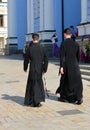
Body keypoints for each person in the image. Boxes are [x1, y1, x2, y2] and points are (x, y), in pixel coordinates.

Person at [56, 28, 83, 105]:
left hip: (66, 65)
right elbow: (78, 57)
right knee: (77, 82)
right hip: (75, 65)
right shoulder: (76, 44)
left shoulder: (63, 44)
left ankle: (64, 97)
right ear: (71, 34)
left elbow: (62, 57)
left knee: (65, 81)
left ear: (65, 35)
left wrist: (61, 67)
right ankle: (79, 97)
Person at [23, 33, 48, 107]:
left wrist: (25, 68)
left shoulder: (30, 48)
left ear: (32, 39)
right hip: (40, 68)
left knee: (32, 84)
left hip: (33, 68)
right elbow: (46, 59)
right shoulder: (42, 48)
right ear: (38, 39)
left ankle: (32, 101)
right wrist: (44, 69)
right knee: (38, 83)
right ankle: (37, 100)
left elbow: (26, 59)